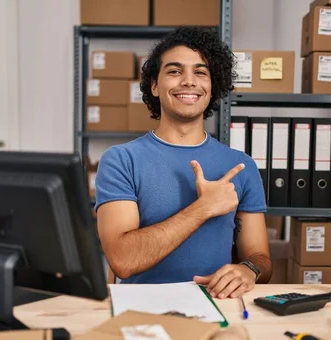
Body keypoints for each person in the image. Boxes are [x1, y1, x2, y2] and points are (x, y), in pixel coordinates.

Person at [94, 26, 271, 299]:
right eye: (175, 71)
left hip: (219, 305)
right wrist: (203, 208)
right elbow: (123, 261)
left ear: (213, 87)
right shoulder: (121, 160)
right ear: (154, 85)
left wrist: (248, 270)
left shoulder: (240, 165)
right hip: (143, 311)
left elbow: (260, 257)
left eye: (200, 72)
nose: (189, 81)